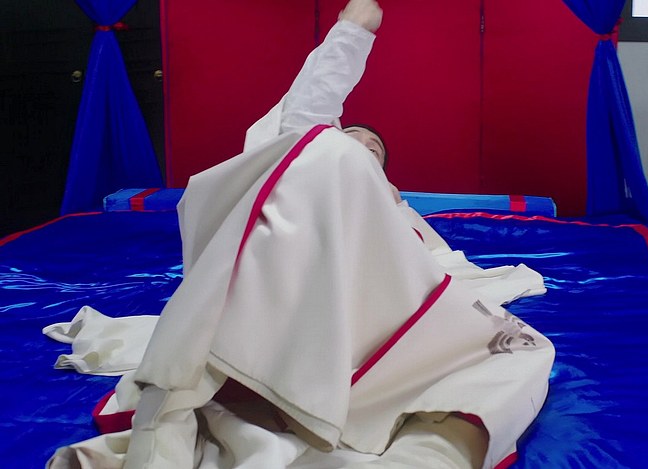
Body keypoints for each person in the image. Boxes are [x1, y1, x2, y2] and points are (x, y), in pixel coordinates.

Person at [48, 2, 554, 468]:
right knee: (316, 157)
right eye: (354, 136)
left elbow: (431, 270)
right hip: (290, 274)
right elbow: (304, 123)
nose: (363, 146)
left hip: (369, 297)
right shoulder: (311, 162)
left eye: (374, 148)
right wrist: (351, 35)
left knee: (521, 354)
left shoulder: (396, 207)